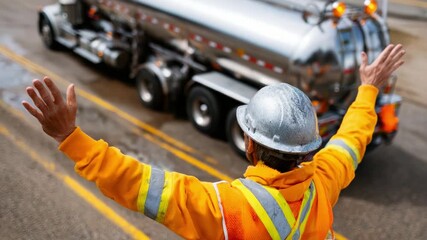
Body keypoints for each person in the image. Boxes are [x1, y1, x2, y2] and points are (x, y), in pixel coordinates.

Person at [22, 44, 405, 240]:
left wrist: (70, 137)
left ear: (249, 145)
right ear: (307, 150)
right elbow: (352, 141)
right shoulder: (323, 182)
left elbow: (136, 182)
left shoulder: (224, 209)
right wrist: (368, 87)